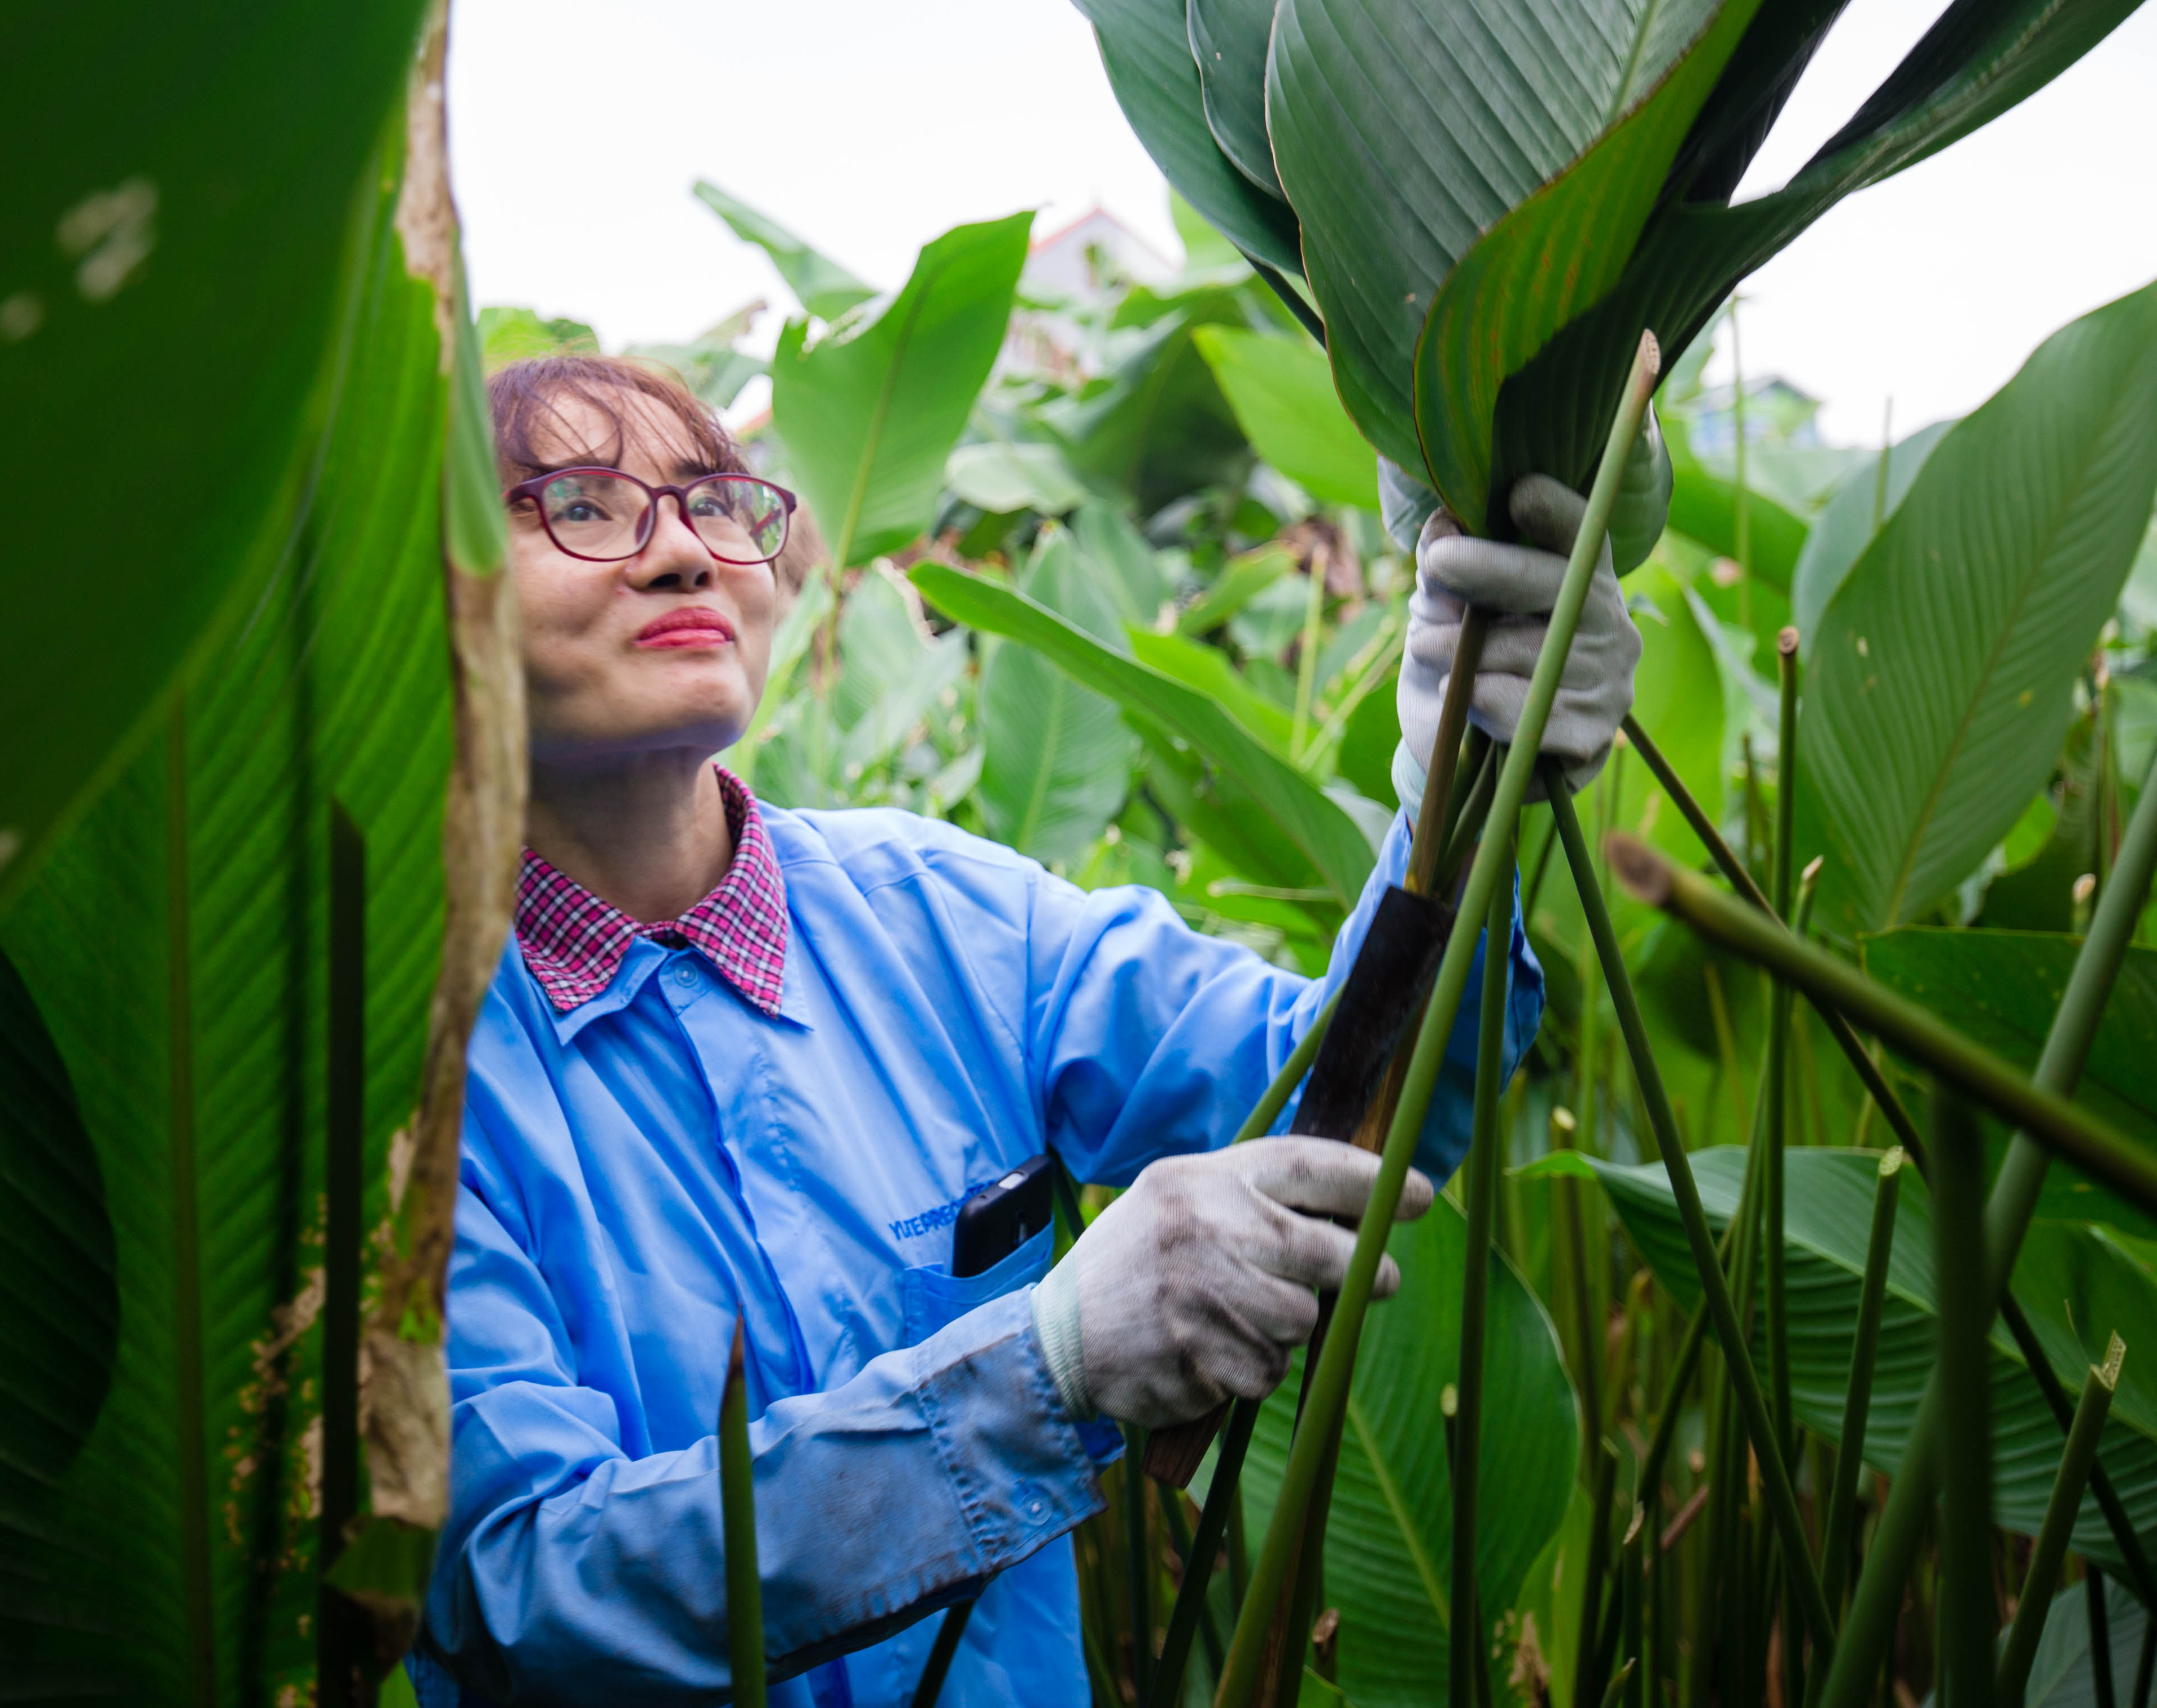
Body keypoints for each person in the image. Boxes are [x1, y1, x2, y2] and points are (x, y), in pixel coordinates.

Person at [409, 355, 1639, 1707]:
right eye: (584, 507)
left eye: (715, 503)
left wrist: (1456, 786)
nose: (686, 557)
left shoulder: (945, 918)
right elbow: (521, 1589)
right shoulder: (406, 1071)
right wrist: (1043, 1369)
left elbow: (1336, 1112)